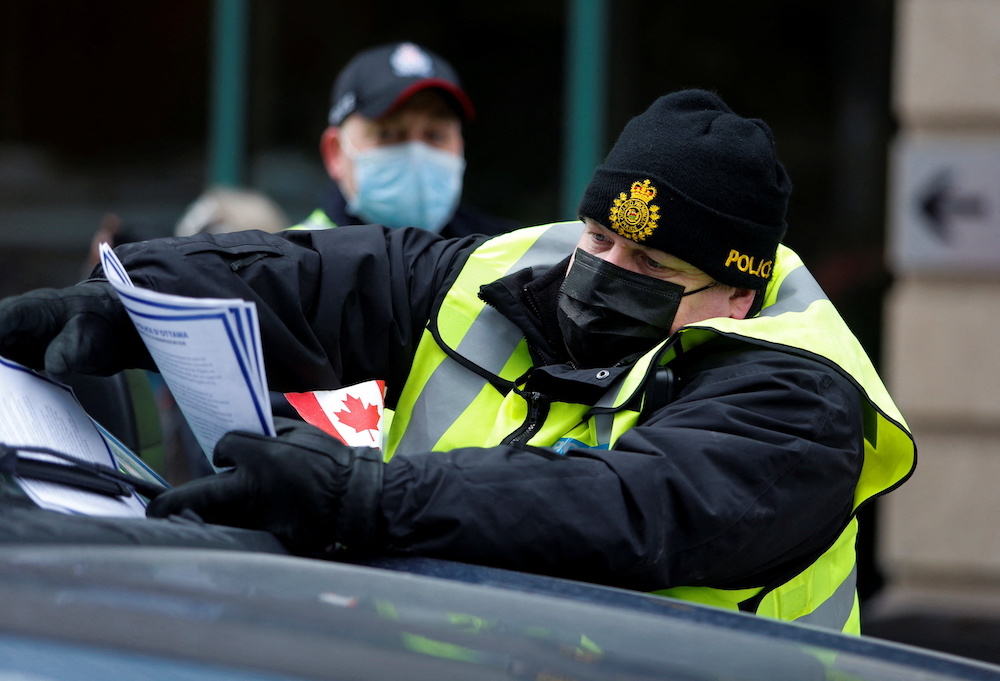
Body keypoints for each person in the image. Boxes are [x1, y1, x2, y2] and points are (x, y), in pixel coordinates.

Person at [0, 89, 915, 634]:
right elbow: (327, 279)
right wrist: (128, 302)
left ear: (737, 297)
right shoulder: (511, 274)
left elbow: (629, 508)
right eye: (598, 236)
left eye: (650, 265)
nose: (603, 272)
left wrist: (359, 498)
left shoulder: (801, 401)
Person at [297, 41, 516, 237]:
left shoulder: (503, 256)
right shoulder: (293, 266)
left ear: (460, 147)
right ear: (334, 152)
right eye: (387, 134)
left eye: (435, 135)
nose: (416, 152)